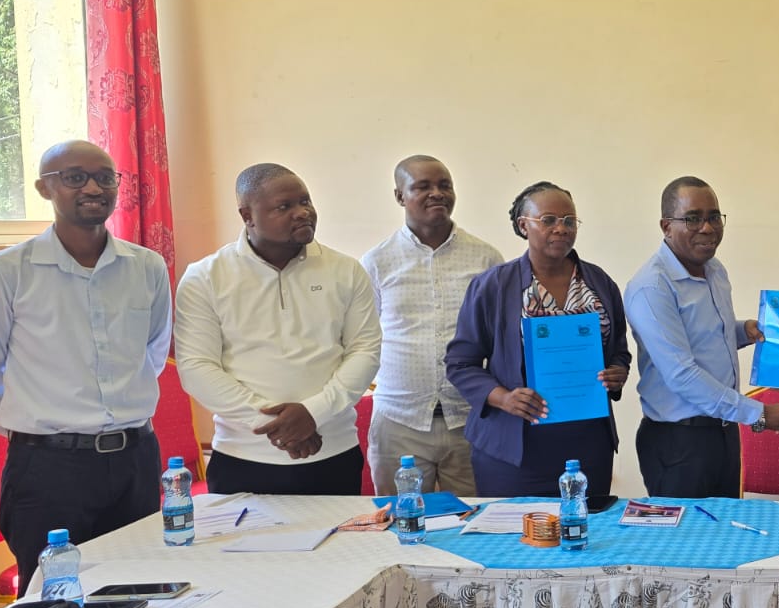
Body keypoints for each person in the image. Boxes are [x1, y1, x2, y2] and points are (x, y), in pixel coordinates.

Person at [0, 140, 171, 593]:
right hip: (48, 470)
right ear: (44, 189)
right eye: (74, 177)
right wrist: (40, 433)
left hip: (135, 460)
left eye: (105, 177)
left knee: (140, 592)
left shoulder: (146, 267)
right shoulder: (7, 271)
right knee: (54, 604)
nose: (93, 187)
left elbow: (152, 352)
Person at [175, 163, 382, 495]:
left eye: (306, 201)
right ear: (247, 216)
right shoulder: (205, 277)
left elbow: (365, 352)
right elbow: (197, 367)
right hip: (242, 457)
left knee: (340, 548)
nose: (302, 213)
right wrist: (280, 426)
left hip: (332, 453)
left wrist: (313, 414)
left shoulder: (346, 271)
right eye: (284, 207)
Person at [623, 176, 779, 499]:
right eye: (693, 218)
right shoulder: (651, 288)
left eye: (714, 216)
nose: (707, 227)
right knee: (685, 544)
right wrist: (761, 414)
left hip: (723, 434)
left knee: (725, 540)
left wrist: (744, 331)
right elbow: (681, 374)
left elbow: (705, 336)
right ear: (666, 226)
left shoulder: (715, 270)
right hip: (679, 444)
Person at [446, 181, 630, 497]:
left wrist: (617, 373)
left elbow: (620, 352)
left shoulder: (600, 283)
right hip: (514, 451)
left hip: (587, 446)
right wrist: (502, 397)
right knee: (515, 540)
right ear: (523, 225)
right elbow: (460, 364)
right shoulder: (493, 286)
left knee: (587, 536)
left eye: (569, 221)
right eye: (548, 220)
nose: (561, 228)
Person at [361, 155, 503, 497]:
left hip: (469, 417)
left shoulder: (486, 259)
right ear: (399, 196)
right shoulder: (377, 262)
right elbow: (363, 338)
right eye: (423, 186)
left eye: (445, 185)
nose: (437, 193)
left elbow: (499, 339)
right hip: (399, 419)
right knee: (401, 525)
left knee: (475, 525)